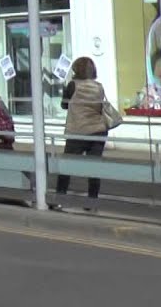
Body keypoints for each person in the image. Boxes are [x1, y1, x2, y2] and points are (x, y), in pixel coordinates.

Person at [54, 56, 111, 208]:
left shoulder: (72, 85)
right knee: (93, 167)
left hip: (78, 131)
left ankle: (59, 198)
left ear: (76, 70)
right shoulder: (99, 87)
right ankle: (92, 201)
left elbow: (64, 105)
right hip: (98, 131)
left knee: (66, 166)